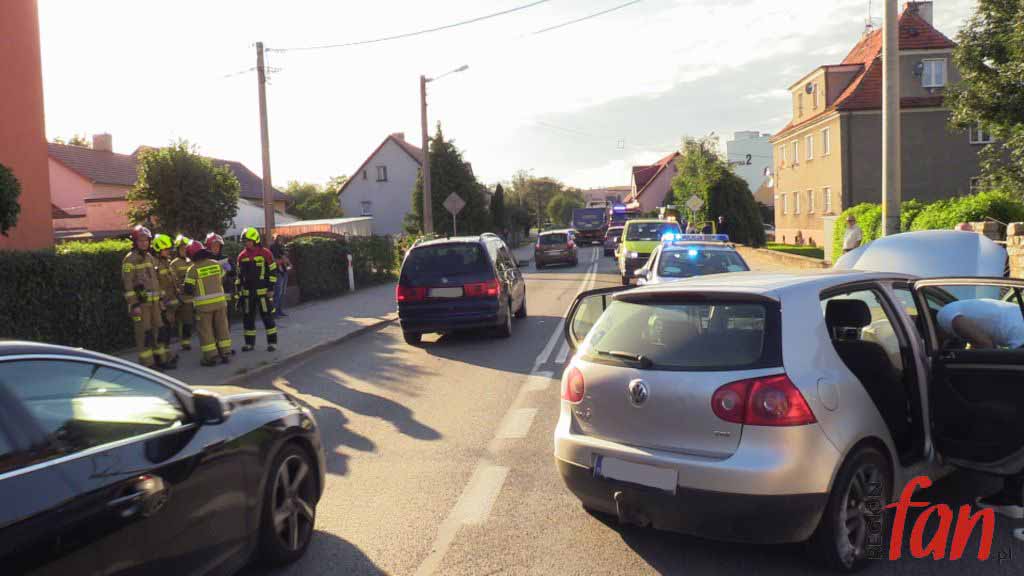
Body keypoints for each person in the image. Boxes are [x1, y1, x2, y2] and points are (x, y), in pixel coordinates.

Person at [937, 298, 1024, 518]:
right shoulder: (962, 307)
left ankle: (1013, 499)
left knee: (1015, 423)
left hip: (1021, 343)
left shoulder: (945, 316)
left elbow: (985, 344)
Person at [184, 240, 233, 366]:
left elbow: (188, 289)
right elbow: (222, 278)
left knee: (206, 331)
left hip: (204, 306)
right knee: (222, 328)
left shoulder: (192, 269)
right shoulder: (216, 264)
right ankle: (225, 353)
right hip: (220, 303)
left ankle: (210, 357)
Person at [122, 225, 164, 368]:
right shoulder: (129, 260)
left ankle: (159, 359)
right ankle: (147, 364)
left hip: (154, 303)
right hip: (141, 304)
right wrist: (134, 304)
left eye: (146, 240)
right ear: (135, 242)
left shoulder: (149, 257)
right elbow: (128, 284)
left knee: (157, 330)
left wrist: (160, 300)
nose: (144, 243)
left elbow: (155, 280)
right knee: (143, 333)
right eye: (141, 241)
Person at [236, 227, 279, 352]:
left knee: (267, 317)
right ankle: (249, 344)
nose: (246, 243)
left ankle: (272, 343)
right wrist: (239, 293)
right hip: (248, 294)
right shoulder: (241, 256)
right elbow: (239, 277)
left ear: (255, 240)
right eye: (244, 241)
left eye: (248, 241)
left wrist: (271, 288)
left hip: (263, 293)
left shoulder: (266, 253)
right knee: (248, 319)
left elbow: (272, 271)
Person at [937, 298, 1024, 350]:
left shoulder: (945, 318)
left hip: (1017, 328)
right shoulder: (946, 313)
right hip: (952, 315)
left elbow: (985, 345)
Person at [150, 233, 179, 370]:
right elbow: (155, 285)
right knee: (161, 333)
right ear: (158, 249)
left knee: (167, 331)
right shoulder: (154, 264)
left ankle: (167, 356)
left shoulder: (166, 262)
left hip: (169, 303)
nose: (168, 251)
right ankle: (161, 360)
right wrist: (160, 301)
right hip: (160, 304)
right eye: (166, 249)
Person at [170, 234, 195, 351]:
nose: (184, 250)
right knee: (186, 322)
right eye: (182, 248)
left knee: (193, 322)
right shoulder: (174, 264)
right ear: (178, 250)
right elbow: (174, 282)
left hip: (195, 297)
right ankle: (185, 342)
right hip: (184, 298)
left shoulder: (192, 261)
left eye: (186, 248)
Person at [270, 235, 291, 318]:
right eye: (277, 238)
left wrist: (288, 263)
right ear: (274, 239)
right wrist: (283, 260)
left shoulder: (282, 247)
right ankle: (274, 312)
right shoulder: (272, 248)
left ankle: (279, 310)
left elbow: (285, 257)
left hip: (284, 271)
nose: (279, 239)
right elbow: (273, 260)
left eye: (280, 238)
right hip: (277, 272)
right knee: (277, 293)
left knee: (282, 293)